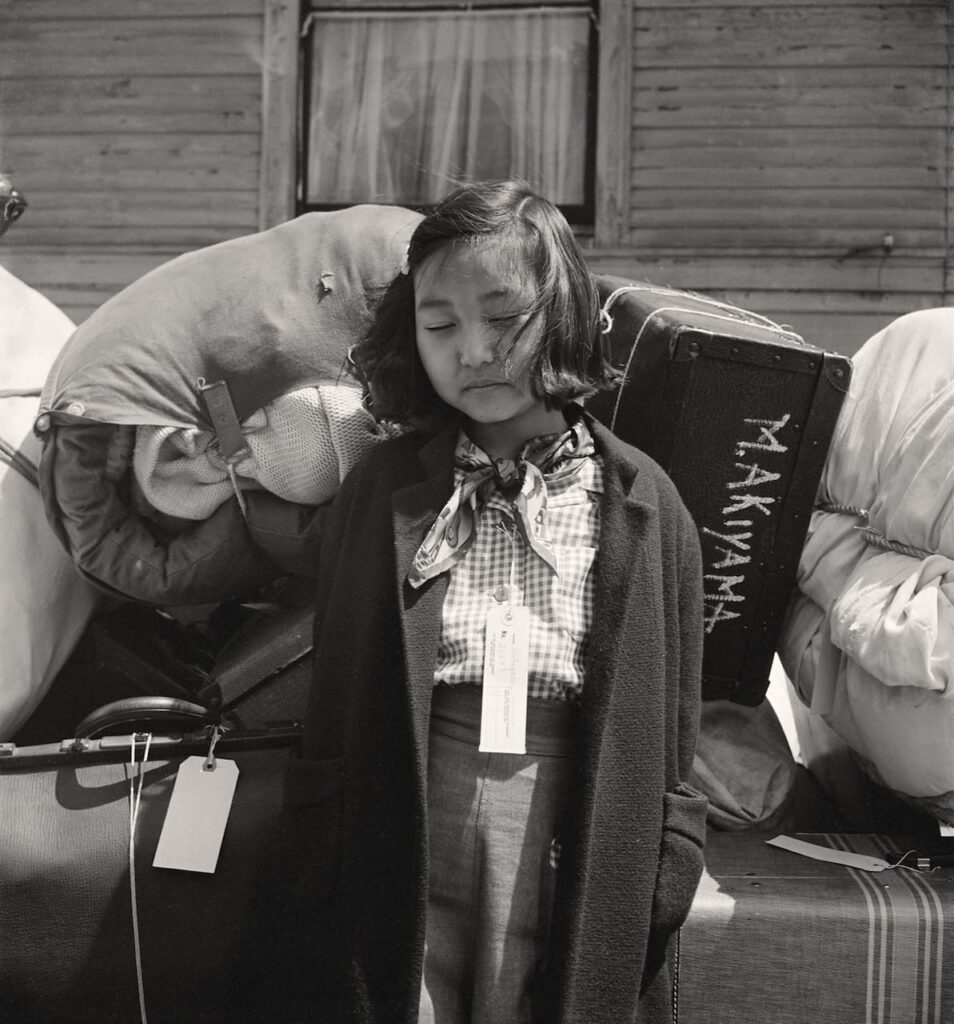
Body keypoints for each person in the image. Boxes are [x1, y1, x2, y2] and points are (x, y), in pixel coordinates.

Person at [249, 180, 707, 1024]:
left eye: (504, 318)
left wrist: (667, 860)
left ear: (562, 314)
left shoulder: (646, 503)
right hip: (407, 816)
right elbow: (341, 697)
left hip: (580, 819)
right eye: (440, 325)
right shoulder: (382, 494)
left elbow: (675, 720)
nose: (474, 349)